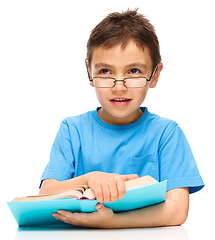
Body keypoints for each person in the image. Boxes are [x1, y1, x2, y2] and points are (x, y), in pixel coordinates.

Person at [39, 9, 204, 228]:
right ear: (89, 72)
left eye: (133, 71)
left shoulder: (166, 133)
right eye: (106, 71)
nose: (119, 86)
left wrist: (113, 221)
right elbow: (45, 194)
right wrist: (90, 179)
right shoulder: (73, 129)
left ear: (155, 75)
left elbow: (177, 210)